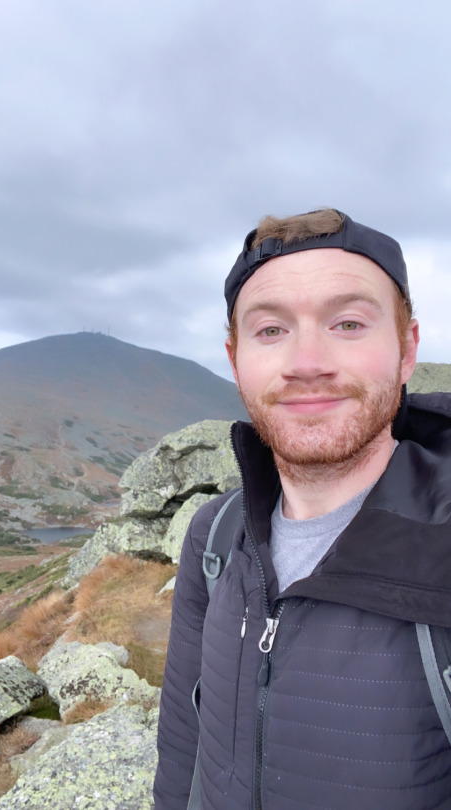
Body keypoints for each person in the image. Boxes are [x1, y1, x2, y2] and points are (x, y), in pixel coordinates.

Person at [153, 209, 451, 810]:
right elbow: (183, 749)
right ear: (236, 361)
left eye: (347, 323)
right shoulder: (214, 537)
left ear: (406, 349)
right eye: (271, 331)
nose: (307, 362)